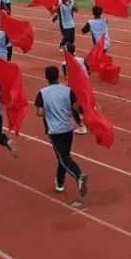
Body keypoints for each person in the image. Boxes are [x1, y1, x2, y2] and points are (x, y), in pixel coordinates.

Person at [35, 65, 88, 197]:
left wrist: (51, 109)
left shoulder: (42, 93)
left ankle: (78, 176)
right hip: (67, 129)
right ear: (58, 75)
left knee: (63, 157)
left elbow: (39, 113)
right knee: (63, 156)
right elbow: (76, 107)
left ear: (46, 77)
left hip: (54, 130)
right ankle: (59, 183)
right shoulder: (67, 90)